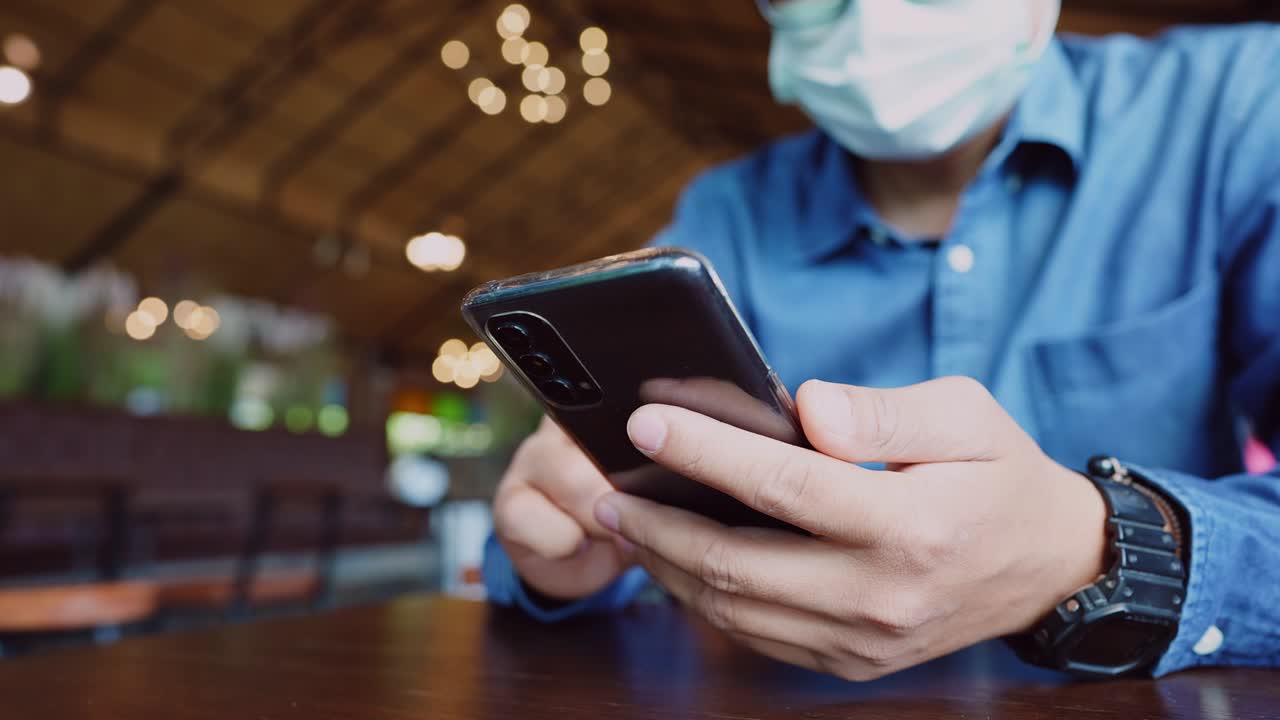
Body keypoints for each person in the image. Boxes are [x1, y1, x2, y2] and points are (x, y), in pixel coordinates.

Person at [483, 0, 1280, 680]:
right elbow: (577, 511)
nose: (870, 21)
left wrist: (1097, 548)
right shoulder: (729, 216)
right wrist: (562, 548)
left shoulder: (1240, 108)